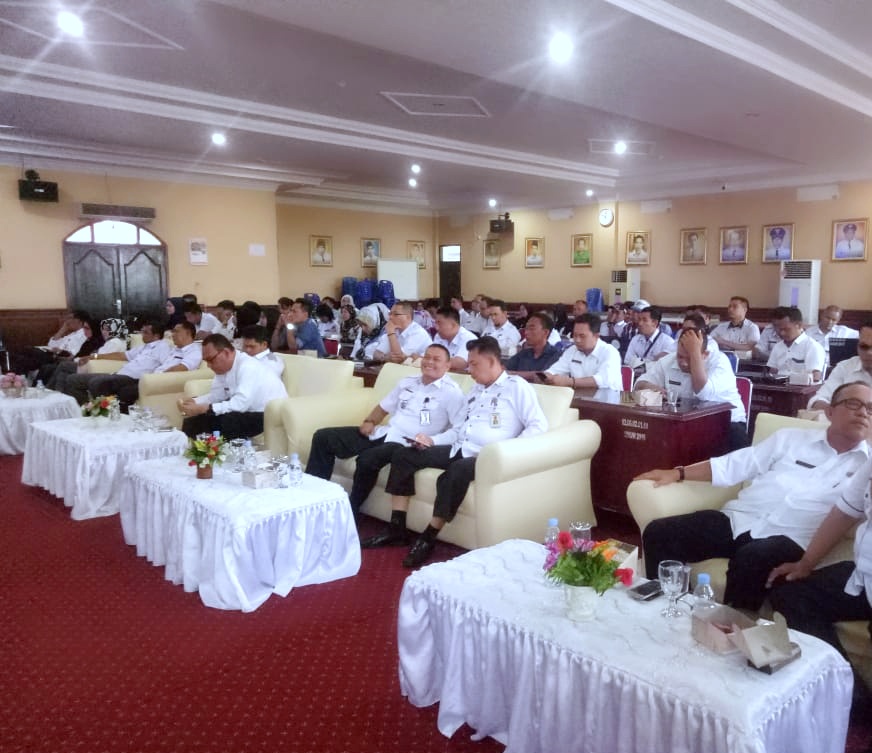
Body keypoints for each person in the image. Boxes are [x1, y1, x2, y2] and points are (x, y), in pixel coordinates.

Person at [636, 381, 872, 611]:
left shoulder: (867, 468)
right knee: (660, 532)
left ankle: (731, 627)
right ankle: (672, 609)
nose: (863, 412)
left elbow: (847, 517)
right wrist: (678, 473)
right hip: (739, 518)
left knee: (752, 559)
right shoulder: (790, 438)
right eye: (853, 404)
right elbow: (737, 464)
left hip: (791, 537)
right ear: (829, 411)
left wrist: (808, 562)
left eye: (870, 408)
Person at [362, 336, 548, 567]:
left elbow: (538, 425)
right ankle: (396, 528)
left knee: (456, 471)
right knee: (404, 455)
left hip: (486, 456)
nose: (470, 370)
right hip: (460, 447)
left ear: (492, 362)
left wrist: (504, 452)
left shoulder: (516, 387)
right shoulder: (475, 390)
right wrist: (431, 440)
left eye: (474, 364)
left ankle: (428, 537)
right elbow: (458, 430)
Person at [766, 408, 872, 672]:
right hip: (863, 575)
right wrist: (806, 563)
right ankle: (841, 684)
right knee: (792, 594)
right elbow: (845, 511)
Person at [306, 344, 466, 515]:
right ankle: (312, 498)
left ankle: (351, 511)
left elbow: (458, 430)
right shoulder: (408, 382)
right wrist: (370, 421)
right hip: (383, 433)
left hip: (405, 444)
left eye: (436, 359)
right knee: (323, 437)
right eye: (426, 357)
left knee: (367, 460)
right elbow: (383, 407)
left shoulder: (452, 393)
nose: (429, 362)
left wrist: (431, 441)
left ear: (447, 366)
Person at [636, 326, 748, 449]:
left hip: (727, 424)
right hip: (687, 423)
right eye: (680, 356)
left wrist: (695, 353)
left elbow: (704, 392)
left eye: (689, 358)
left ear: (705, 354)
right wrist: (649, 387)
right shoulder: (669, 360)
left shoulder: (719, 362)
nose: (683, 363)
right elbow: (638, 385)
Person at [65, 320, 194, 409]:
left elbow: (166, 366)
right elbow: (122, 355)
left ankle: (97, 413)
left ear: (156, 336)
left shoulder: (163, 347)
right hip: (118, 374)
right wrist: (95, 356)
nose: (142, 335)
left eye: (146, 332)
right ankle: (84, 411)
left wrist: (152, 377)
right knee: (73, 380)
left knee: (97, 383)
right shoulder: (145, 347)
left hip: (133, 378)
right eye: (142, 331)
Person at [178, 334, 287, 438]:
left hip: (268, 414)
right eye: (206, 361)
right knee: (194, 421)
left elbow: (240, 404)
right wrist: (194, 402)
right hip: (248, 411)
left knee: (220, 421)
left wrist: (206, 408)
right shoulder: (223, 369)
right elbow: (217, 396)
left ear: (226, 353)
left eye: (211, 360)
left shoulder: (247, 366)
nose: (208, 365)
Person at [544, 313, 622, 391]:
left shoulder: (610, 352)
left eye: (582, 336)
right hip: (580, 396)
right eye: (575, 335)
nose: (577, 340)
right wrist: (545, 377)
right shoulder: (572, 350)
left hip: (609, 397)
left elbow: (603, 380)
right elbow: (553, 371)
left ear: (596, 336)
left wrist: (570, 381)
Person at [809, 321, 872, 409]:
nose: (869, 353)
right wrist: (838, 412)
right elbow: (818, 400)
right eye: (864, 347)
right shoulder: (845, 367)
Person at [11, 309, 91, 374]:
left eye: (70, 318)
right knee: (22, 359)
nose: (67, 321)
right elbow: (51, 344)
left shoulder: (84, 335)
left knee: (27, 350)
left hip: (60, 357)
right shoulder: (71, 334)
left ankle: (17, 380)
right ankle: (17, 380)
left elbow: (76, 353)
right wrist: (63, 329)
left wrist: (60, 351)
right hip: (52, 355)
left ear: (79, 321)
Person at [766, 306, 825, 382]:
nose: (781, 333)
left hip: (801, 387)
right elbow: (773, 372)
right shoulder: (778, 346)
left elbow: (815, 378)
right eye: (778, 329)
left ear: (799, 325)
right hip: (778, 386)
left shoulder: (812, 347)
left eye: (786, 329)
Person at [504, 312, 561, 377]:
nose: (526, 332)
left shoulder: (556, 355)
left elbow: (543, 376)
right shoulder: (524, 353)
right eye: (526, 328)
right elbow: (502, 370)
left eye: (531, 329)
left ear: (545, 332)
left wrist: (511, 373)